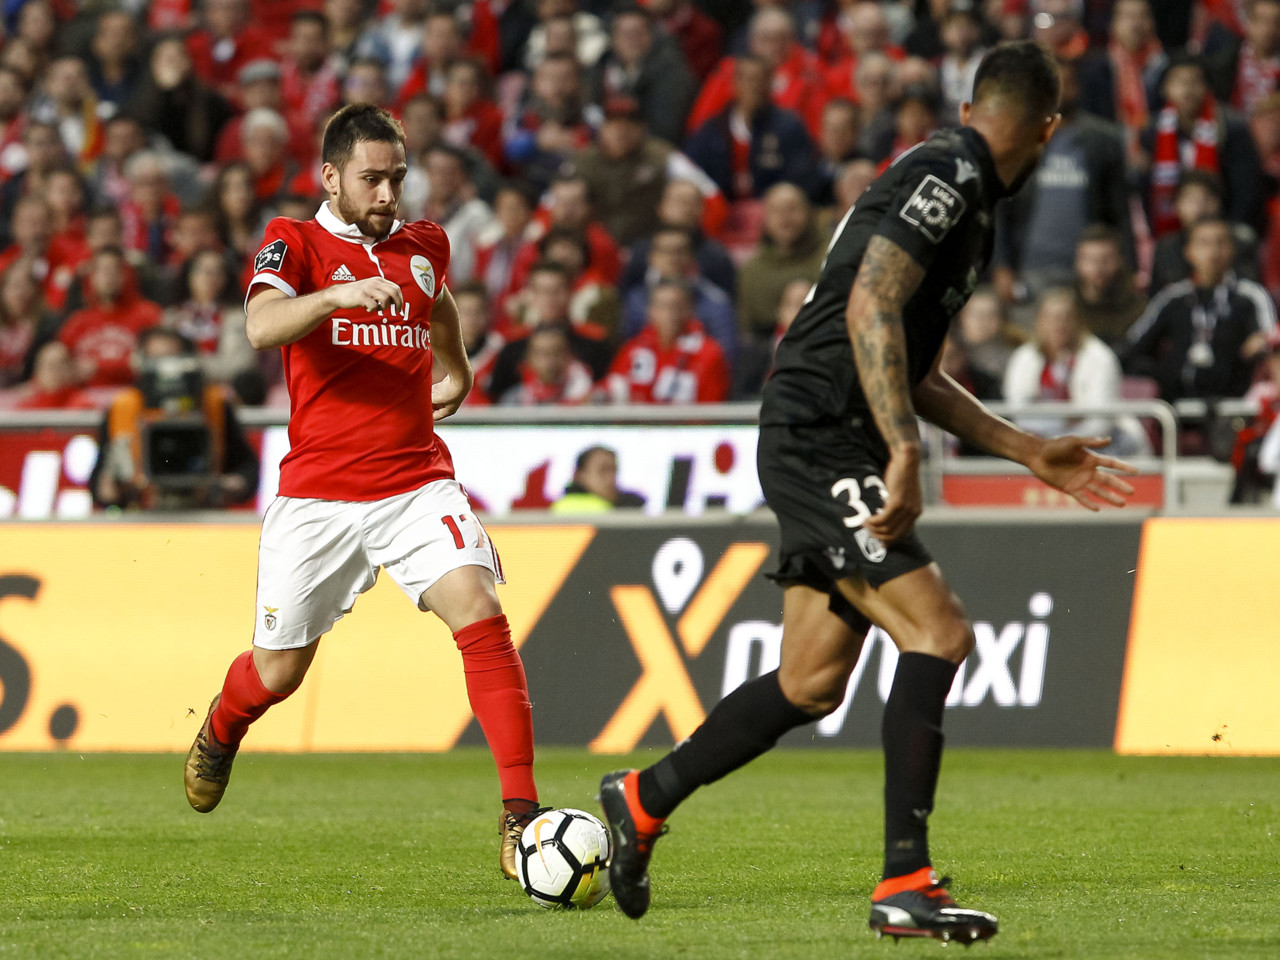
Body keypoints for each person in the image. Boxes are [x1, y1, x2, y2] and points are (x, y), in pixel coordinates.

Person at [598, 42, 1138, 942]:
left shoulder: (964, 196)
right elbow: (869, 307)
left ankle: (643, 798)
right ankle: (905, 882)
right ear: (1048, 129)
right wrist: (904, 450)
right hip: (823, 431)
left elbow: (912, 368)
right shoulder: (949, 177)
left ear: (972, 107)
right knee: (939, 632)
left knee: (810, 683)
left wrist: (1025, 450)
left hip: (824, 429)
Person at [183, 104, 545, 885]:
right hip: (318, 496)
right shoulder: (294, 240)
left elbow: (436, 300)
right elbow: (261, 326)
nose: (386, 194)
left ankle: (521, 815)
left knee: (480, 612)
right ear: (331, 177)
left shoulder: (425, 245)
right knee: (278, 673)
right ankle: (222, 725)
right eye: (371, 179)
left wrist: (458, 368)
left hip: (416, 482)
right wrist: (334, 298)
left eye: (396, 178)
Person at [88, 326, 260, 509]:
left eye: (173, 358)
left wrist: (235, 483)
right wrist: (110, 487)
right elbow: (99, 483)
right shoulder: (122, 407)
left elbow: (247, 467)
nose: (165, 368)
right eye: (155, 360)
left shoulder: (214, 404)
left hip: (203, 509)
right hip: (143, 510)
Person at [1123, 217, 1274, 403]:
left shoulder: (1251, 296)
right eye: (1204, 243)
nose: (1213, 251)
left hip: (1236, 407)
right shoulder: (1172, 297)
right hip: (1175, 407)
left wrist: (1262, 343)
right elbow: (1134, 346)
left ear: (1233, 250)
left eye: (1221, 242)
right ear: (1189, 251)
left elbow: (1272, 344)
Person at [1002, 287, 1150, 457]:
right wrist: (1055, 436)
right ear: (1039, 321)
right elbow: (1019, 414)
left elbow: (1101, 422)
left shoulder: (1100, 357)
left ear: (1078, 321)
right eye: (1052, 318)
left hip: (1099, 446)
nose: (1059, 324)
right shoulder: (1024, 358)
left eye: (1066, 317)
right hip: (1042, 445)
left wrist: (1064, 442)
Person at [605, 276, 729, 404]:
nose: (670, 314)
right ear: (650, 310)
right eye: (663, 306)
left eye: (677, 306)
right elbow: (612, 386)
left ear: (690, 309)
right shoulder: (633, 350)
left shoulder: (708, 353)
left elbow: (711, 405)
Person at [550, 445, 646, 513]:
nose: (610, 478)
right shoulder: (571, 507)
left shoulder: (626, 505)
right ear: (579, 475)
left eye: (614, 470)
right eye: (602, 471)